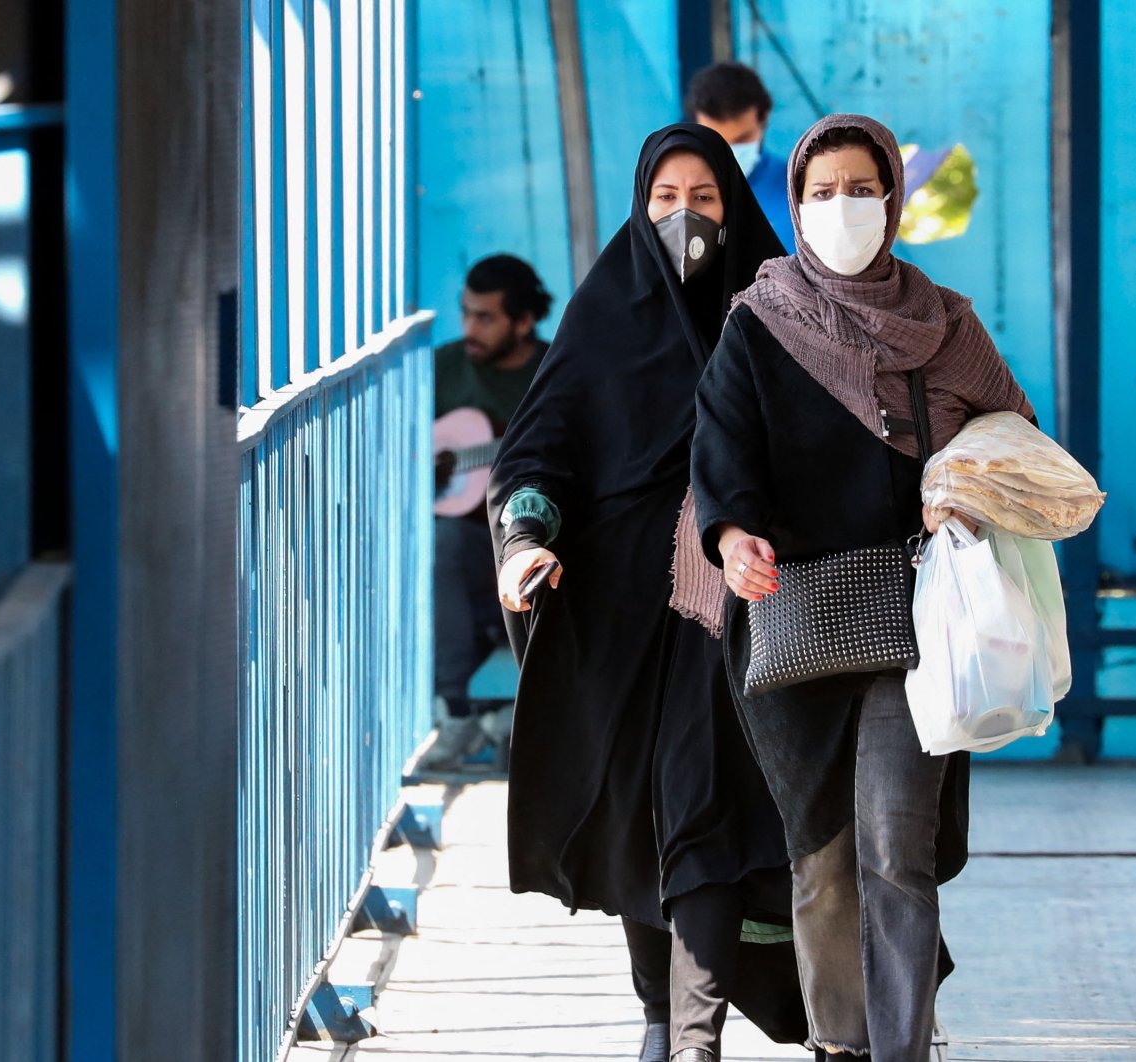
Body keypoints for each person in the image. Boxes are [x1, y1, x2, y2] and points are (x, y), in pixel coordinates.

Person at [690, 114, 1035, 1061]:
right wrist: (730, 538)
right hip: (794, 620)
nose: (844, 208)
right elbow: (721, 453)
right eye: (821, 191)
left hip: (916, 617)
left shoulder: (947, 323)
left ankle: (900, 1047)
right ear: (795, 206)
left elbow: (1015, 434)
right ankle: (839, 1044)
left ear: (893, 197)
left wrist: (961, 487)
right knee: (822, 859)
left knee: (896, 848)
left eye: (861, 187)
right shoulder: (758, 325)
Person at [489, 124, 811, 1062]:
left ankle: (692, 1036)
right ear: (641, 206)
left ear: (734, 206)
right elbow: (539, 452)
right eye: (665, 199)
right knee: (646, 821)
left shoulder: (779, 315)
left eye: (704, 199)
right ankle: (661, 1017)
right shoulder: (604, 322)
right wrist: (524, 539)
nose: (684, 218)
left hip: (745, 609)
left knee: (699, 805)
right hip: (622, 614)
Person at [421, 254, 552, 770]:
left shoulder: (553, 368)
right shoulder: (443, 368)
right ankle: (457, 714)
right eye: (466, 313)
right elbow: (402, 452)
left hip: (535, 537)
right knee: (444, 543)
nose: (470, 328)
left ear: (523, 322)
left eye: (486, 317)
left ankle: (520, 720)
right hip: (468, 550)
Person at [688, 61, 796, 253]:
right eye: (717, 141)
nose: (729, 153)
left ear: (764, 118)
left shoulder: (797, 190)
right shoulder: (666, 194)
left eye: (742, 139)